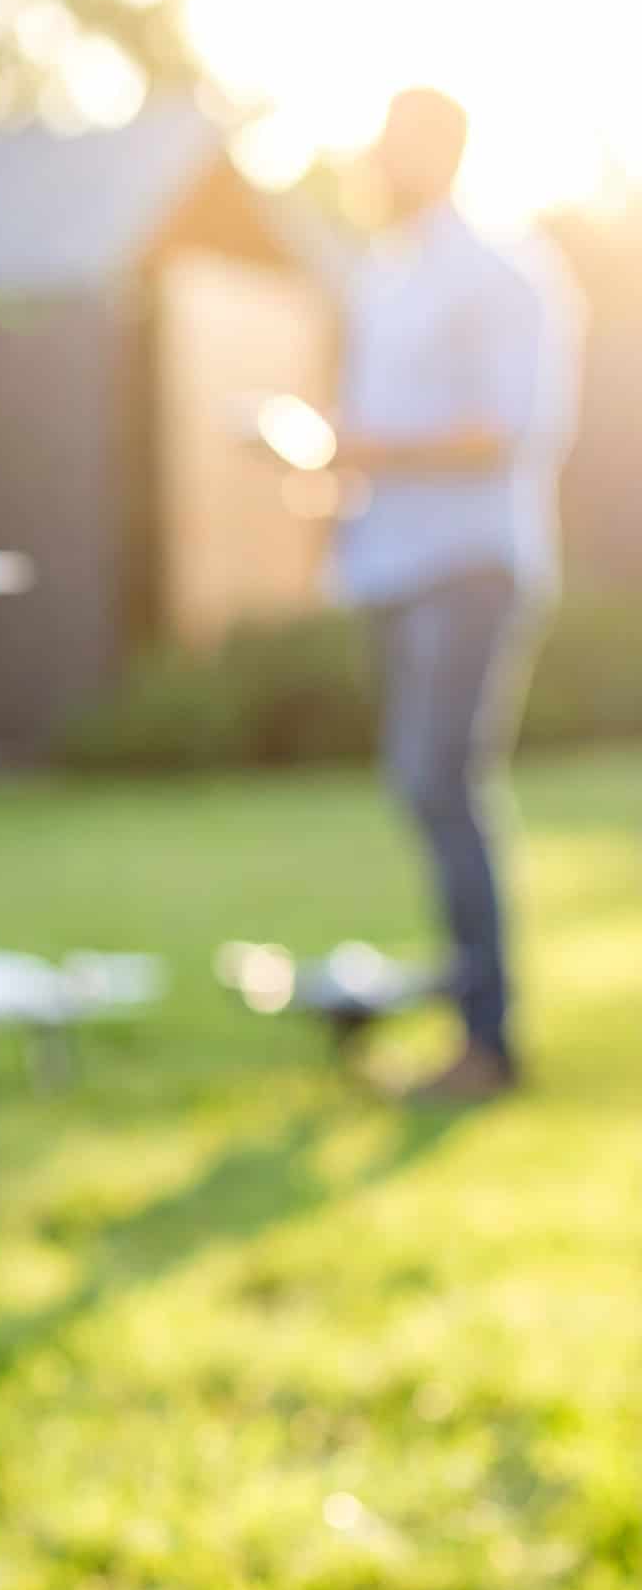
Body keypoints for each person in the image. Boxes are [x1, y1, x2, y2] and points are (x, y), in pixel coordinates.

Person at [256, 86, 584, 1103]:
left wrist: (366, 446)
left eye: (390, 146)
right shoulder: (385, 277)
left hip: (469, 563)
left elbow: (507, 430)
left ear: (439, 149)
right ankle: (468, 1017)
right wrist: (327, 466)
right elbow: (386, 431)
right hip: (393, 564)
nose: (372, 164)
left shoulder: (505, 273)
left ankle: (489, 1043)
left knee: (442, 781)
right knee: (425, 787)